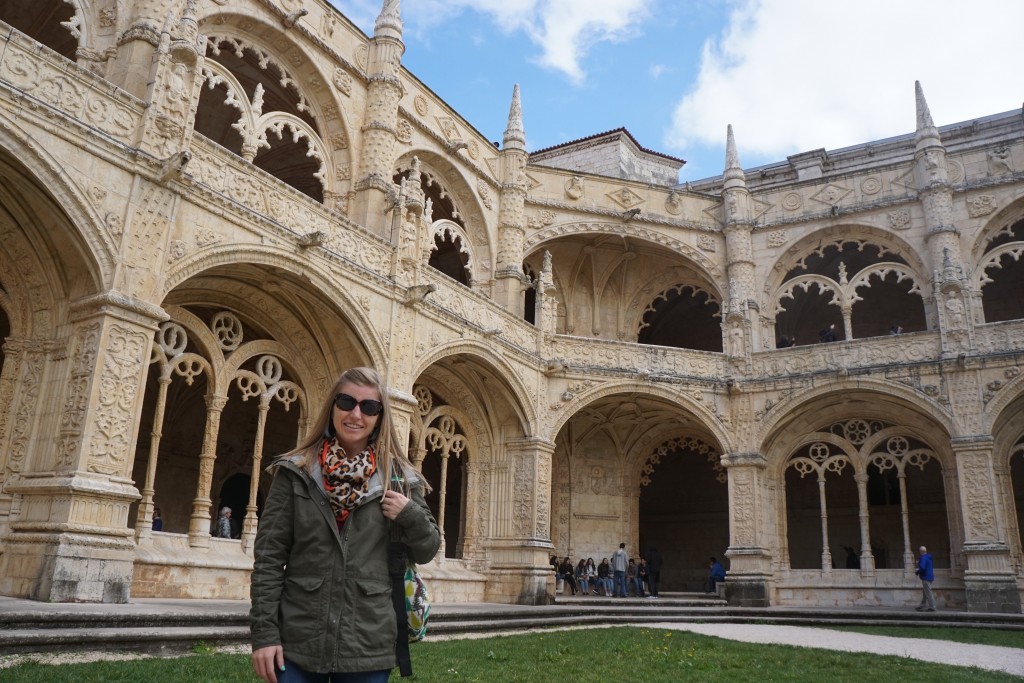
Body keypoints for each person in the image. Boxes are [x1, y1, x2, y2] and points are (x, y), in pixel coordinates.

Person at [250, 367, 441, 683]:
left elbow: (428, 549)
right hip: (299, 640)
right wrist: (265, 634)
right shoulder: (296, 472)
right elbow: (269, 560)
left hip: (366, 642)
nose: (356, 414)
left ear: (380, 417)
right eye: (346, 402)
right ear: (332, 408)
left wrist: (409, 514)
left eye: (369, 407)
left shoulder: (401, 479)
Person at [915, 545, 936, 612]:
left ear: (920, 551)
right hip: (930, 576)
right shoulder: (928, 557)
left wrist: (917, 572)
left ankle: (932, 607)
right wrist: (920, 562)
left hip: (925, 577)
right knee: (925, 592)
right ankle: (922, 605)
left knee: (928, 592)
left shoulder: (923, 558)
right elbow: (926, 564)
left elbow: (923, 568)